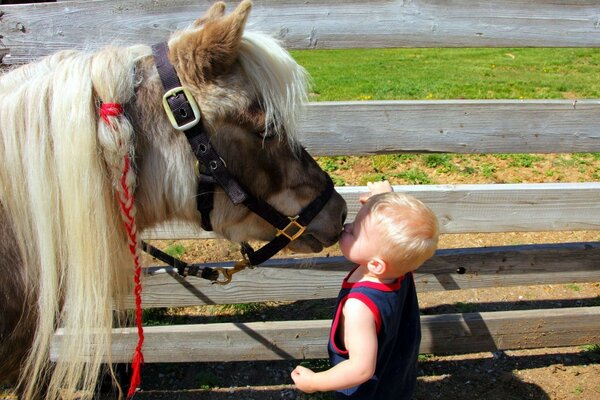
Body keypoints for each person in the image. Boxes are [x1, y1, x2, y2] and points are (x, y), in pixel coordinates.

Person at [291, 180, 439, 399]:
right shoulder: (398, 267)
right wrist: (380, 200)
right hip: (396, 376)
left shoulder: (359, 307)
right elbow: (393, 238)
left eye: (355, 232)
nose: (347, 226)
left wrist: (315, 382)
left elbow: (361, 369)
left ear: (376, 264)